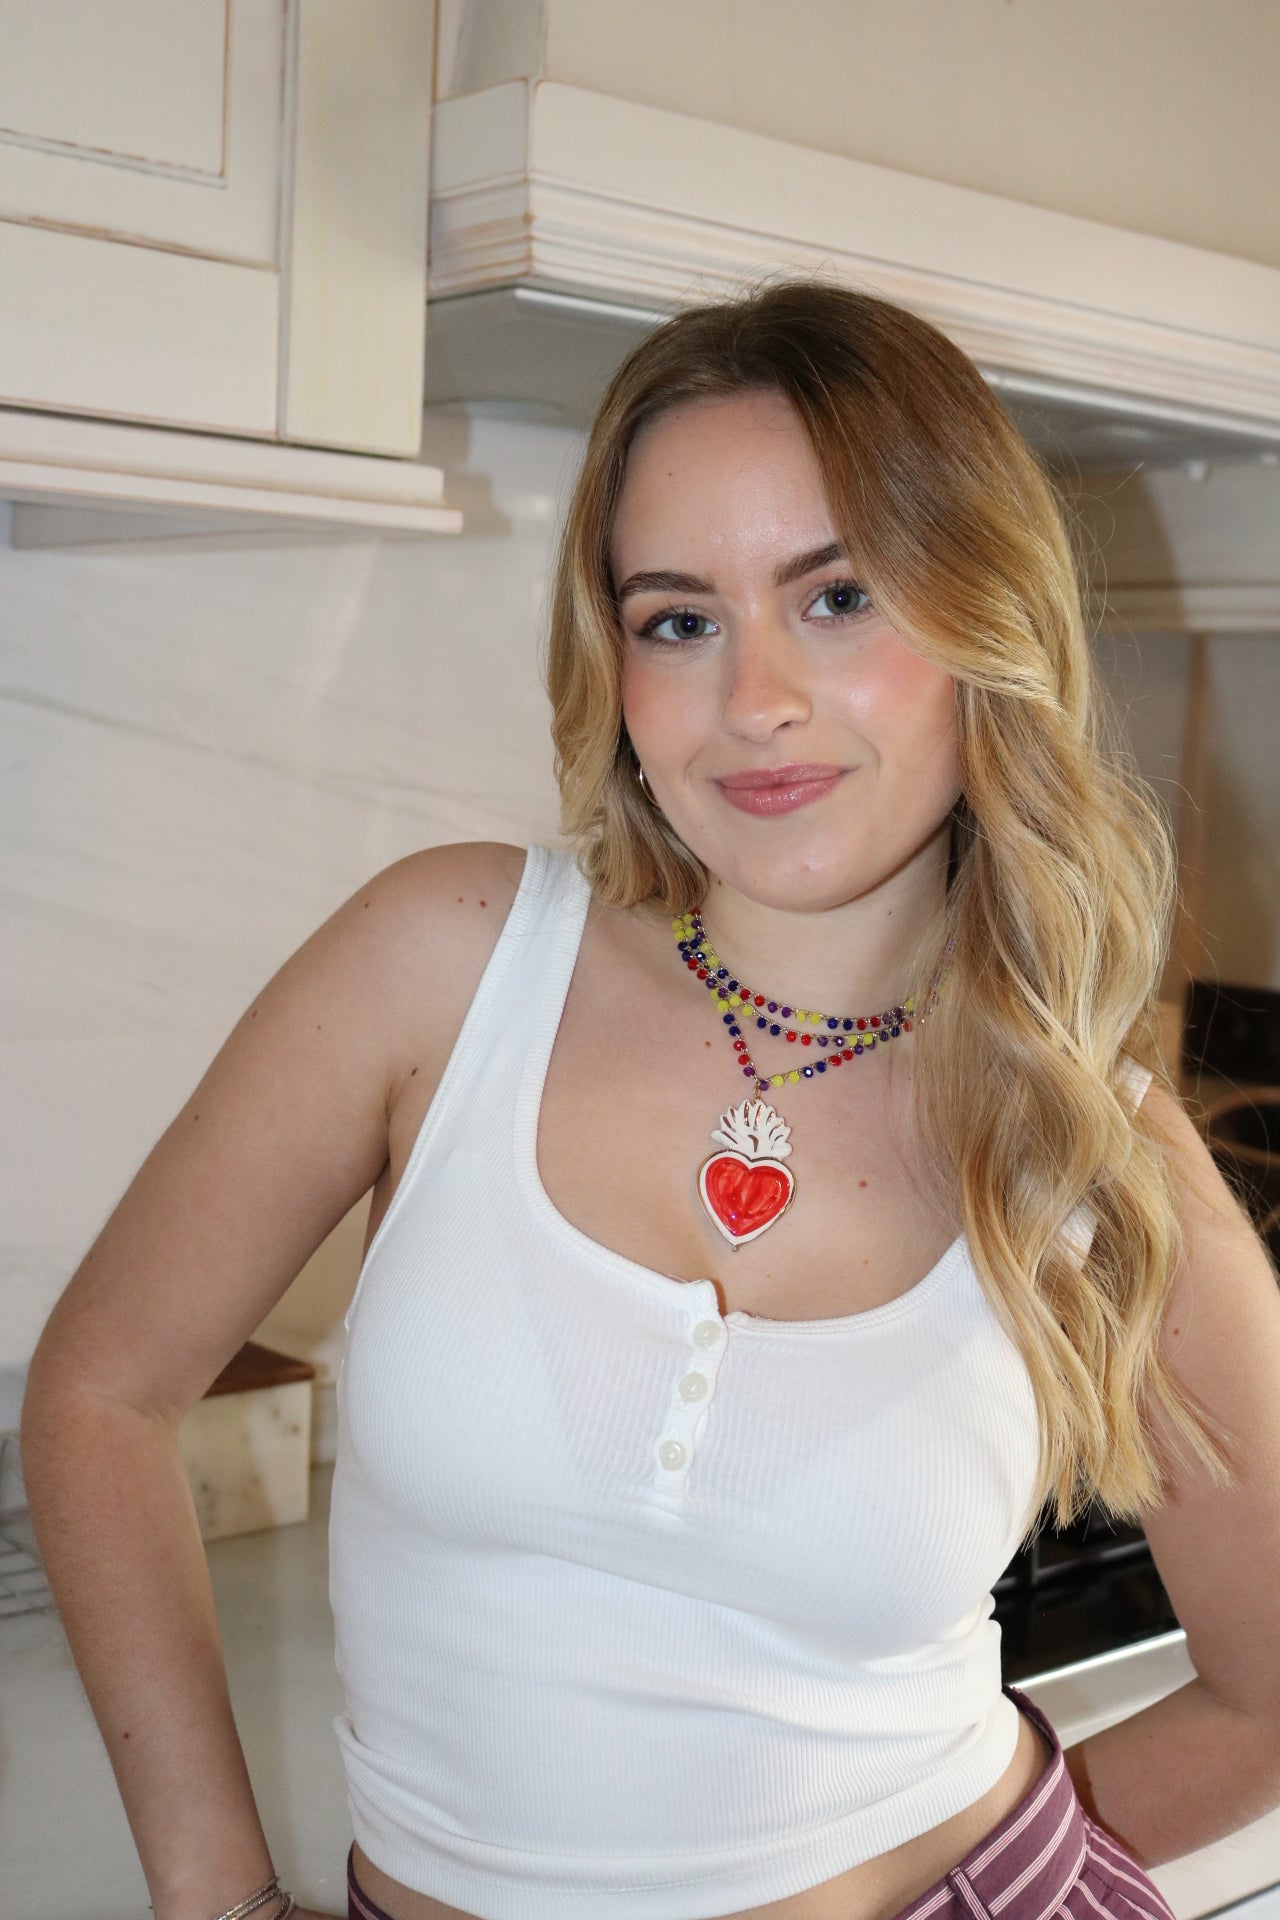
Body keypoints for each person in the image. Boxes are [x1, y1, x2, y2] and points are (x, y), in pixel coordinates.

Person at [20, 277, 1280, 1920]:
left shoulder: (1095, 1144)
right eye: (680, 619)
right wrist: (215, 1891)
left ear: (987, 618)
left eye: (839, 596)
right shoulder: (451, 962)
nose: (754, 700)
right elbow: (101, 1391)